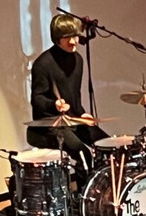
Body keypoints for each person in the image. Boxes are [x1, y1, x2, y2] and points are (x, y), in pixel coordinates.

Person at [27, 13, 107, 185]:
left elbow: (74, 97)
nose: (73, 42)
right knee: (82, 153)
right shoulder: (43, 64)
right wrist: (54, 104)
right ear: (57, 38)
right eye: (67, 37)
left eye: (76, 36)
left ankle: (105, 193)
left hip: (73, 121)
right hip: (49, 124)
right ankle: (84, 199)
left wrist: (82, 114)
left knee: (107, 145)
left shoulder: (78, 60)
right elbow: (36, 99)